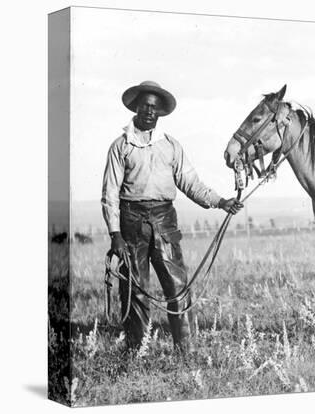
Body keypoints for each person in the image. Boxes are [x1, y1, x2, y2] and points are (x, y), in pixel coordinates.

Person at [101, 81, 243, 351]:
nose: (149, 112)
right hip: (131, 223)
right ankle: (136, 351)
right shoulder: (120, 146)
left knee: (177, 285)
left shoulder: (171, 146)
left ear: (160, 112)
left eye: (154, 108)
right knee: (135, 289)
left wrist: (221, 202)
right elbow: (109, 193)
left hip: (165, 221)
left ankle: (185, 351)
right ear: (136, 107)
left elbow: (191, 183)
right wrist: (115, 235)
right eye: (145, 106)